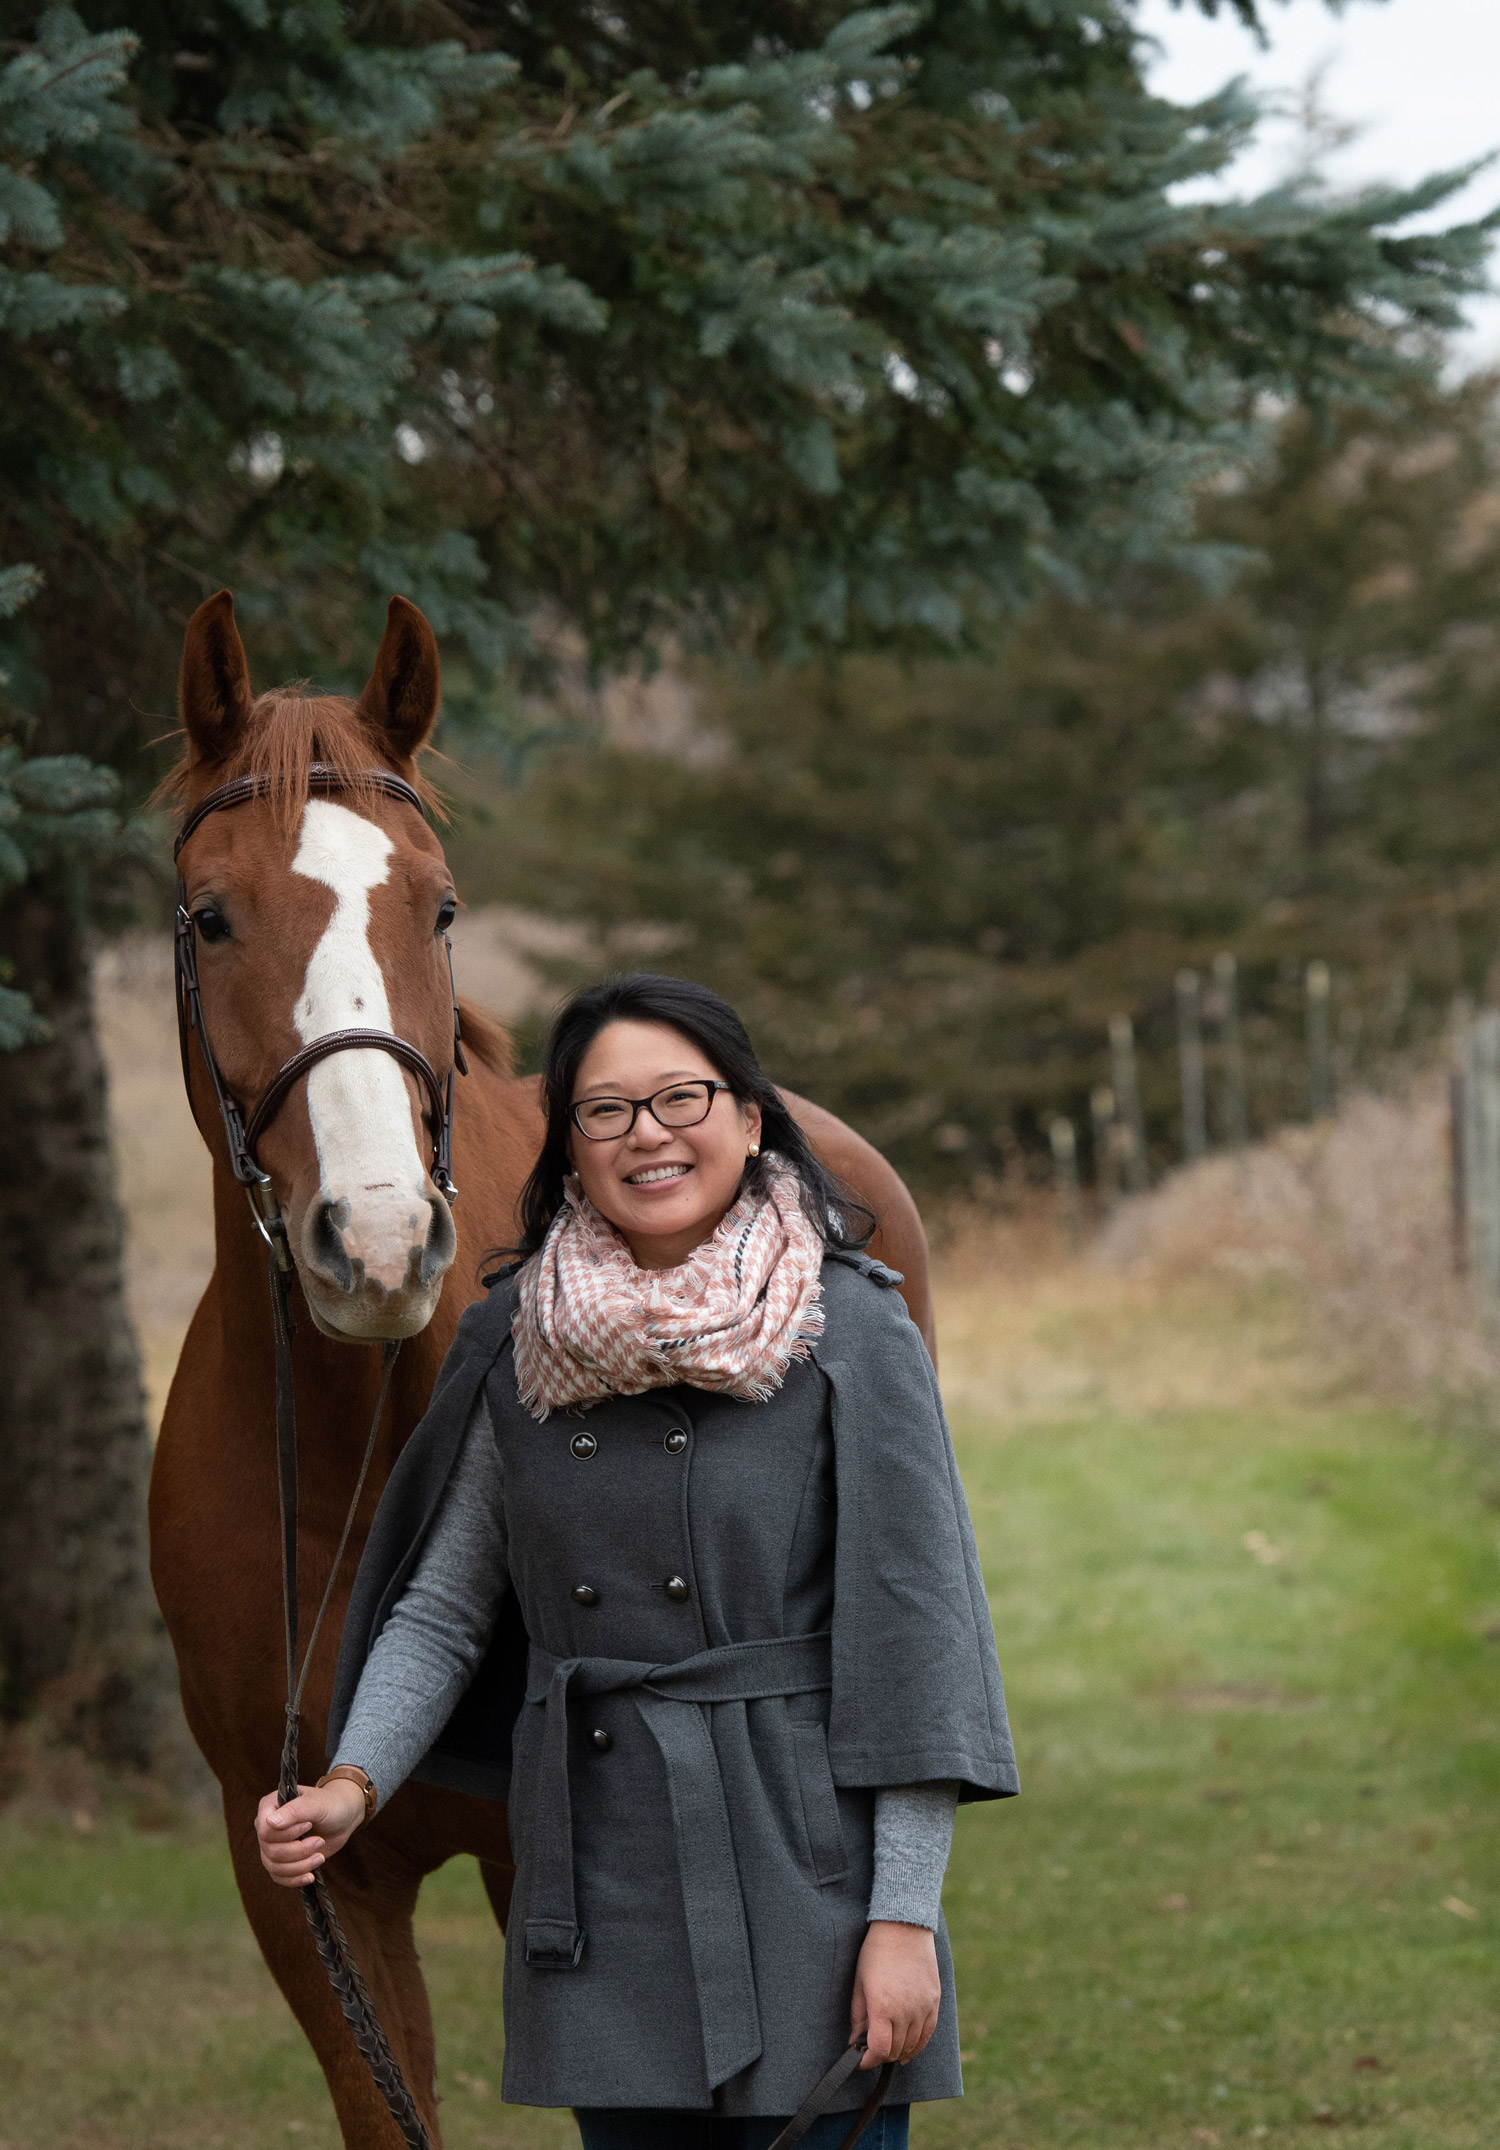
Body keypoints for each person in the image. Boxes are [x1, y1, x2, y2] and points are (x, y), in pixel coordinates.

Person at [257, 974, 1017, 2148]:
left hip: (811, 1883)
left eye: (680, 1097)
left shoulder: (852, 1323)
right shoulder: (516, 1335)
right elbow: (449, 1603)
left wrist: (904, 1919)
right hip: (601, 1883)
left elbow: (913, 1636)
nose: (646, 1133)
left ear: (750, 1116)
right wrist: (352, 1783)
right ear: (568, 1146)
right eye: (606, 1110)